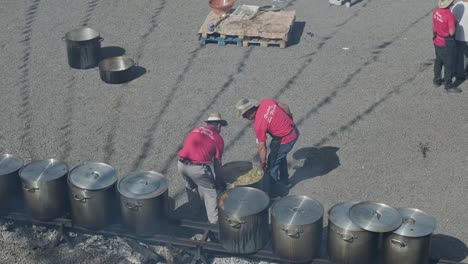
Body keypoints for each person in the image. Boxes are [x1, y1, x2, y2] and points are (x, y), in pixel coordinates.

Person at [236, 98, 299, 198]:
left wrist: (263, 163)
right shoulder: (267, 102)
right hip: (294, 130)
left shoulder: (259, 125)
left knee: (271, 166)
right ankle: (285, 181)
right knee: (280, 157)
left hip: (285, 139)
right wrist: (290, 120)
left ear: (249, 112)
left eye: (244, 115)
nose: (244, 117)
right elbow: (285, 107)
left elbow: (262, 147)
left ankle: (273, 194)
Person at [177, 113, 227, 224]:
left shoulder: (196, 130)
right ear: (218, 125)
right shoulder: (218, 138)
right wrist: (219, 181)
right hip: (197, 169)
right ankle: (214, 223)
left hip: (181, 164)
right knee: (211, 194)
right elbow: (217, 164)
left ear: (208, 123)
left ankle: (194, 211)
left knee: (191, 186)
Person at [433, 0, 462, 93]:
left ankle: (437, 80)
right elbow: (451, 32)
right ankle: (448, 85)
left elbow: (434, 26)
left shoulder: (436, 11)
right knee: (448, 64)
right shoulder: (449, 15)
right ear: (450, 3)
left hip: (437, 38)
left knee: (438, 60)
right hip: (446, 41)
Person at [452, 0, 468, 89]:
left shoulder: (457, 5)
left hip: (457, 36)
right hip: (466, 37)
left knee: (460, 56)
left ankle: (459, 72)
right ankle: (461, 75)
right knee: (464, 58)